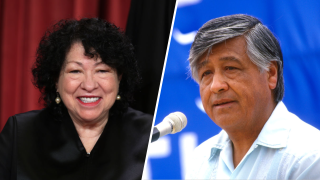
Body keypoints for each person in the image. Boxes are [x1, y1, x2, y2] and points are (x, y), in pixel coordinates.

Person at [0, 18, 152, 180]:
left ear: (119, 78)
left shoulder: (149, 133)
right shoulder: (20, 132)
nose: (89, 85)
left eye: (102, 70)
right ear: (56, 80)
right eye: (75, 71)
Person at [186, 14, 320, 179]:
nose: (216, 86)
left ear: (271, 74)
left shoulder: (308, 157)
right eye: (206, 73)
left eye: (230, 68)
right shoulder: (199, 160)